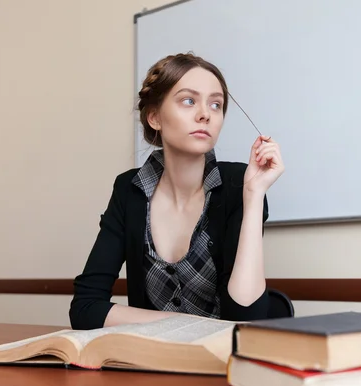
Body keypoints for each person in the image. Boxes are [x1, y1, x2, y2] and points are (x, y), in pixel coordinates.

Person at [69, 53, 284, 330]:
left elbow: (245, 318)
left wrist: (254, 195)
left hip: (223, 364)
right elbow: (85, 308)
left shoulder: (240, 184)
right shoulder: (129, 190)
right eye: (188, 100)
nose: (205, 114)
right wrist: (187, 324)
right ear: (155, 117)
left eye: (216, 104)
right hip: (153, 362)